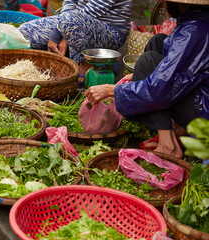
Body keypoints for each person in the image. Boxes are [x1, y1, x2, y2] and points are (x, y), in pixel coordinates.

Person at [85, 0, 209, 159]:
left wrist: (112, 90)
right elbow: (181, 71)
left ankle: (168, 146)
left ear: (181, 4)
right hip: (199, 97)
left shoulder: (194, 30)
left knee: (147, 61)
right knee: (157, 42)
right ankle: (177, 130)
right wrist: (137, 76)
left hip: (204, 116)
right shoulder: (195, 21)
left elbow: (161, 87)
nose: (164, 6)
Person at [18, 0, 132, 81]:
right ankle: (60, 58)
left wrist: (58, 34)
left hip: (110, 31)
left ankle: (82, 65)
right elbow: (70, 2)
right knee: (25, 31)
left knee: (69, 20)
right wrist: (65, 29)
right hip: (73, 21)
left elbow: (93, 10)